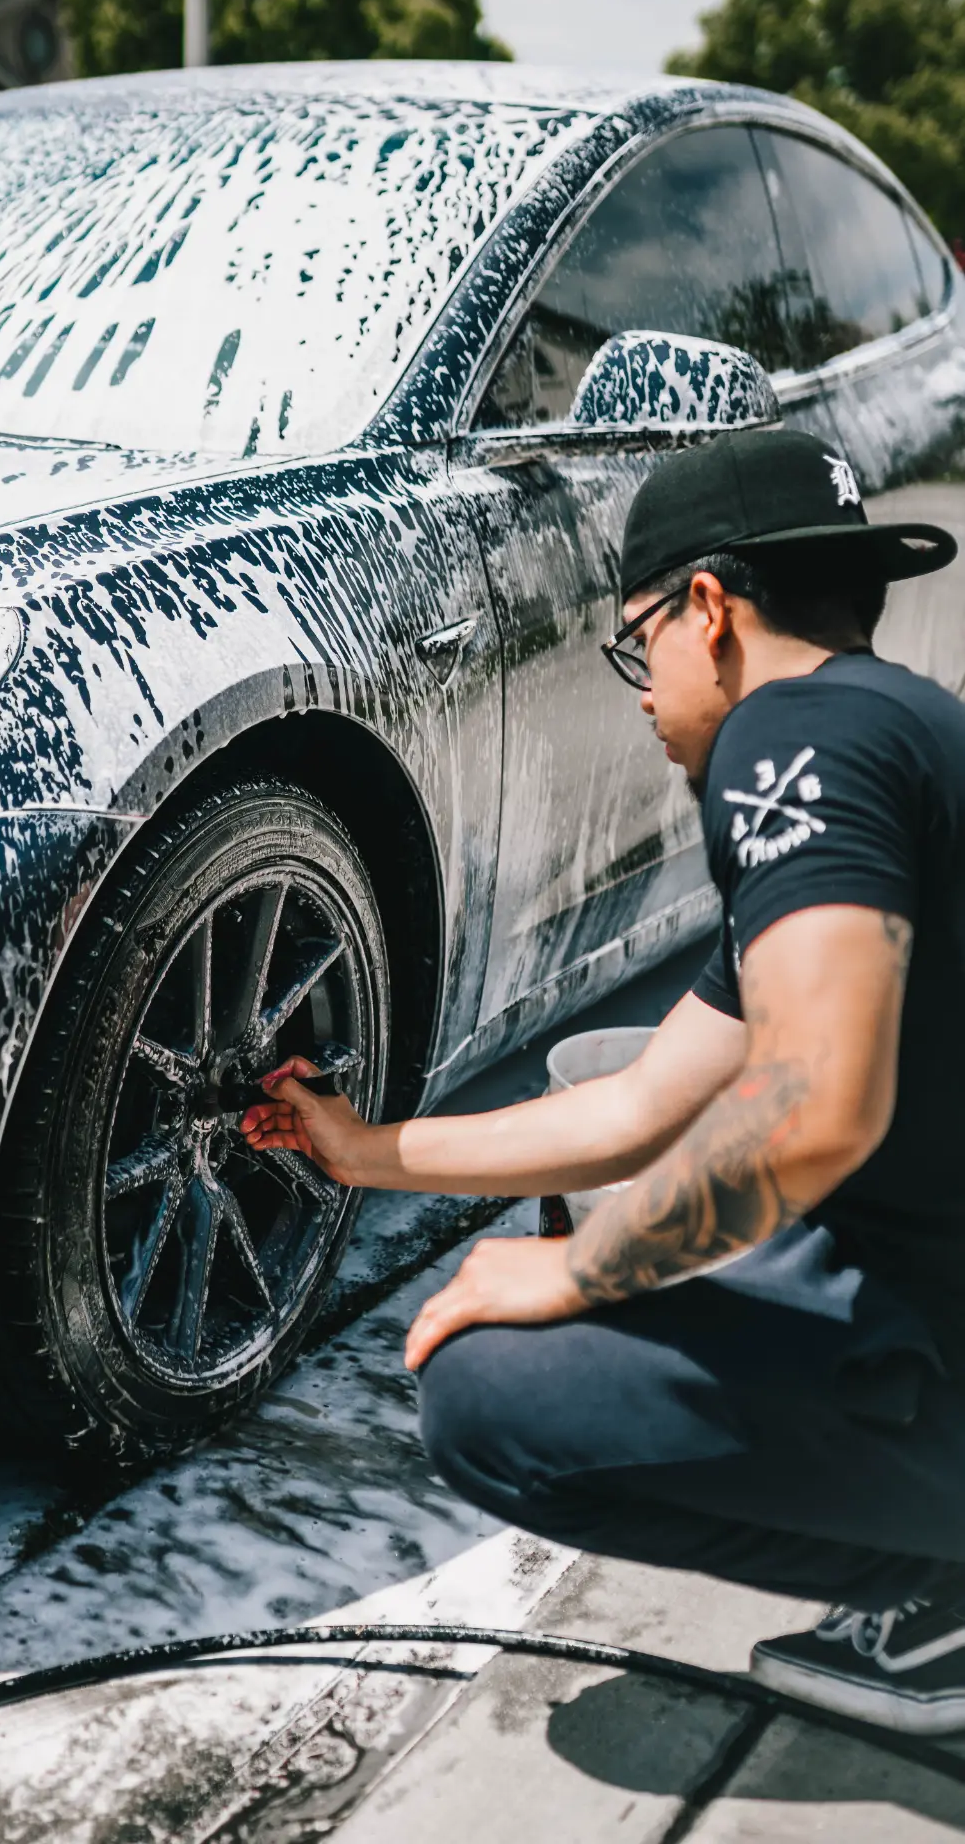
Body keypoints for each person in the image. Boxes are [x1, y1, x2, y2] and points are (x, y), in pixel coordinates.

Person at [243, 428, 965, 1735]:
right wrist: (363, 1149)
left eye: (638, 642)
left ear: (707, 605)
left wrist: (574, 1276)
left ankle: (948, 1597)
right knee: (639, 1221)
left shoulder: (788, 738)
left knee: (487, 1400)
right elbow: (633, 1106)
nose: (639, 690)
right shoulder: (905, 728)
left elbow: (811, 1101)